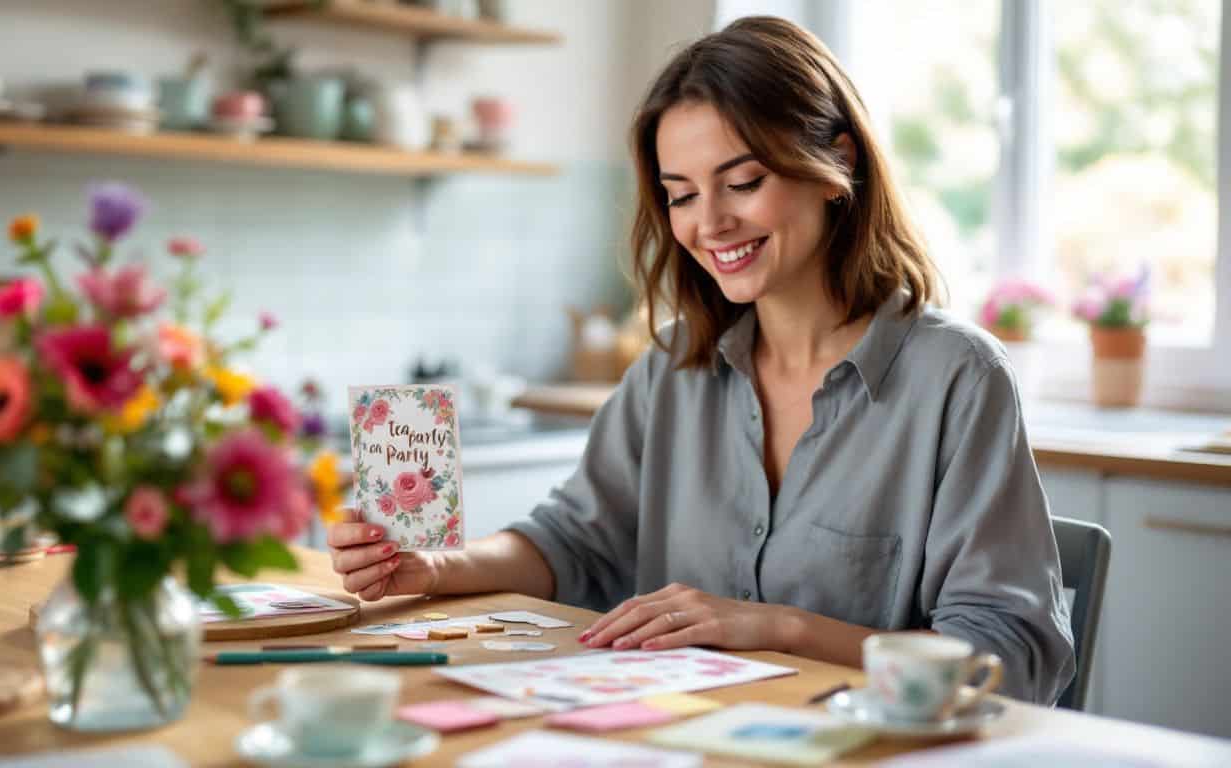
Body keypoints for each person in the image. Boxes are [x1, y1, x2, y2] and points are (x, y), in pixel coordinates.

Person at [327, 16, 1075, 704]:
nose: (710, 222)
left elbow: (1012, 657)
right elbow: (576, 539)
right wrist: (435, 568)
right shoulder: (671, 367)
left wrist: (776, 627)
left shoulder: (957, 379)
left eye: (742, 182)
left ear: (834, 161)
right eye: (680, 194)